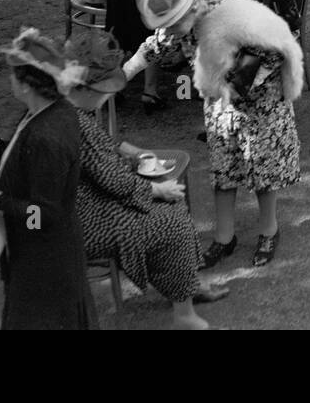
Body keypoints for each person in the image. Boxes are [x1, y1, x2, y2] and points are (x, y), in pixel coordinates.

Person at [133, 0, 303, 270]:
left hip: (261, 100)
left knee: (262, 168)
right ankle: (224, 238)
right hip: (221, 99)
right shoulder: (179, 21)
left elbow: (276, 45)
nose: (170, 30)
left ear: (189, 8)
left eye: (173, 23)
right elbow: (158, 44)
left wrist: (245, 83)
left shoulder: (232, 12)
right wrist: (125, 71)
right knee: (224, 168)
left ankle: (269, 231)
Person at [63, 36, 228, 330]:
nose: (109, 94)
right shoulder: (74, 120)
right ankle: (184, 311)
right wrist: (155, 189)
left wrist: (122, 149)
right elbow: (111, 179)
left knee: (172, 208)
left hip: (85, 202)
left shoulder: (71, 110)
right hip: (84, 218)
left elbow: (96, 157)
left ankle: (187, 287)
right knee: (170, 219)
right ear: (86, 88)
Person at [0, 29, 97, 330]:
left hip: (44, 262)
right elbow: (26, 161)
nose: (10, 80)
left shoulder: (46, 136)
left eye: (13, 75)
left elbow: (41, 215)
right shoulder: (50, 111)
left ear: (26, 85)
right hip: (44, 254)